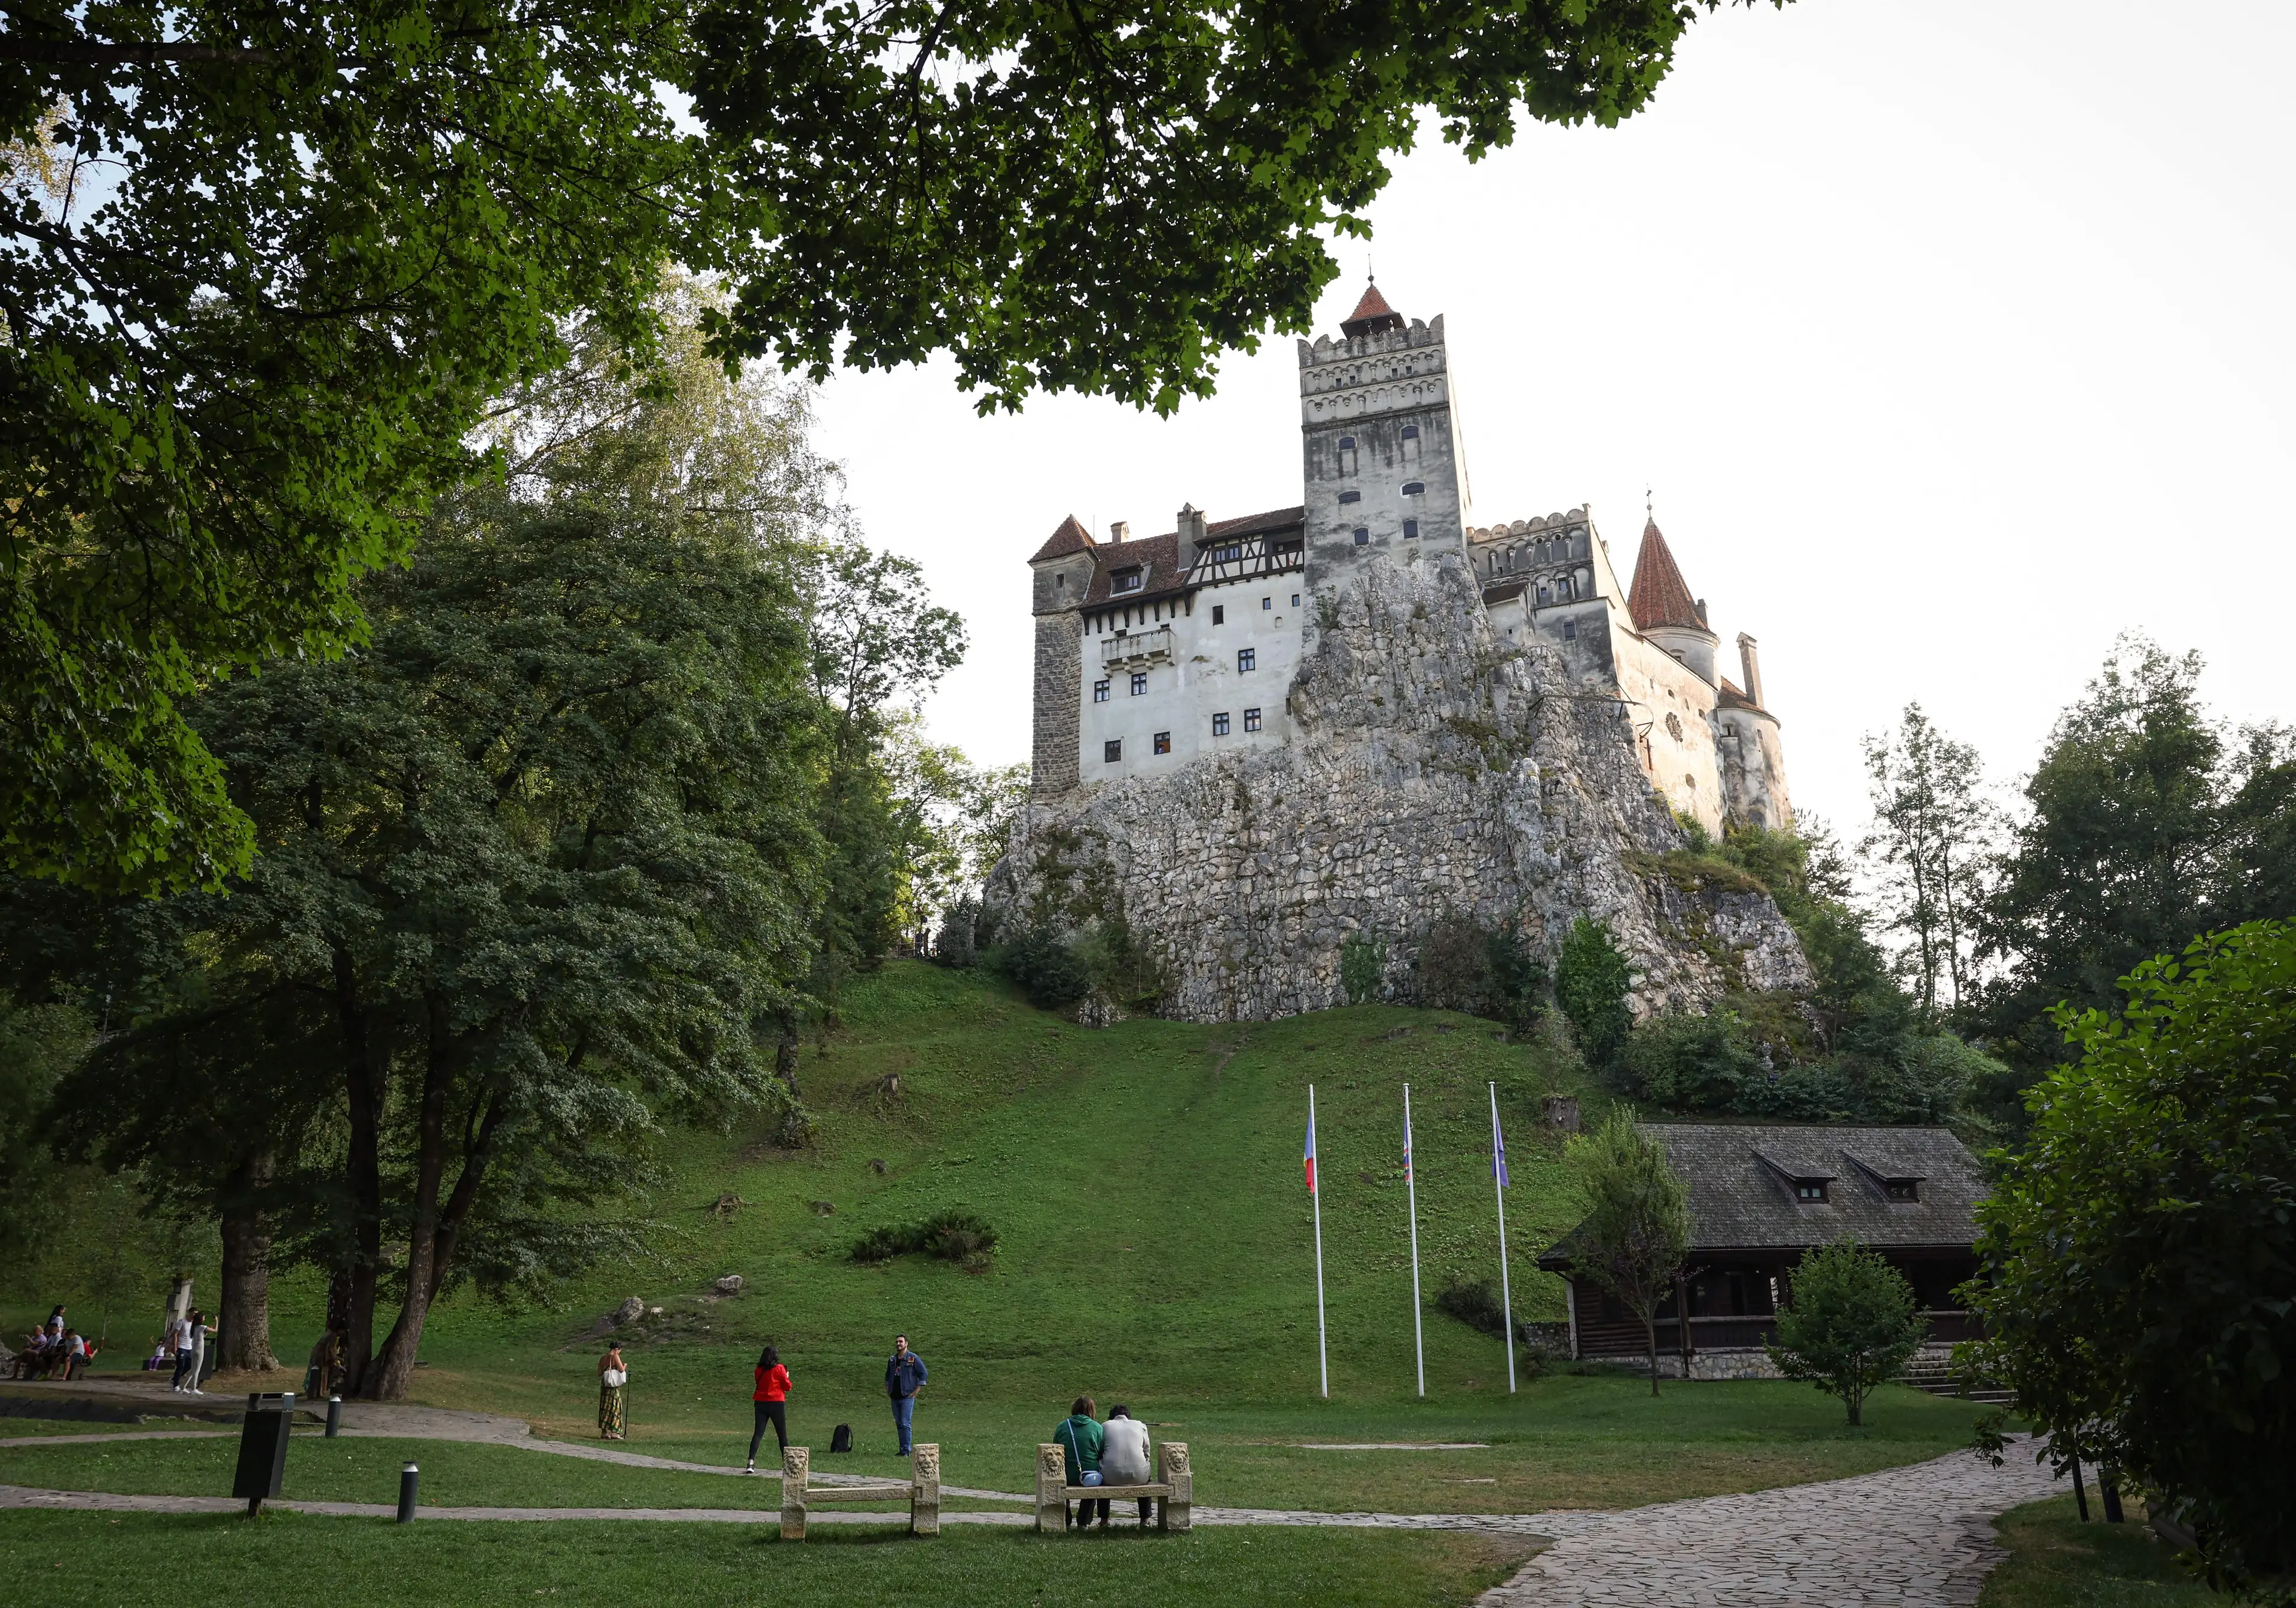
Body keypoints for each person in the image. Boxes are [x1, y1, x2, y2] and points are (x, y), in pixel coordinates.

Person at [1055, 1395, 1107, 1530]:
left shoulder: (1062, 1427)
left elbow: (1056, 1449)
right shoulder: (1097, 1428)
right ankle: (1083, 1521)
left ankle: (1066, 1518)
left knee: (1064, 1474)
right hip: (1089, 1476)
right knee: (1094, 1479)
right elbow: (1101, 1452)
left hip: (1066, 1475)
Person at [1100, 1404, 1155, 1527]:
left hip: (1110, 1476)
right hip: (1139, 1476)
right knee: (1146, 1476)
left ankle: (1104, 1520)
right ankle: (1145, 1520)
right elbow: (1147, 1452)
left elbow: (1100, 1451)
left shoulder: (1104, 1426)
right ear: (1129, 1416)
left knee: (1101, 1474)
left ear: (1111, 1417)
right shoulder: (1140, 1425)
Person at [747, 1344, 791, 1472]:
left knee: (758, 1433)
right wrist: (787, 1377)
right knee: (782, 1435)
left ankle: (751, 1462)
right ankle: (786, 1464)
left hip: (761, 1403)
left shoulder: (759, 1370)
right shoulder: (780, 1369)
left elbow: (758, 1382)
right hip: (777, 1403)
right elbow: (787, 1387)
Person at [884, 1334, 927, 1456]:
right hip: (895, 1397)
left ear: (906, 1344)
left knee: (905, 1423)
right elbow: (888, 1376)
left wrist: (917, 1390)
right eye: (897, 1342)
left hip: (907, 1397)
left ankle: (906, 1451)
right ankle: (902, 1449)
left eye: (901, 1342)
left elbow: (923, 1374)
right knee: (899, 1423)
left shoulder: (913, 1358)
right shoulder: (892, 1360)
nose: (898, 1344)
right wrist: (888, 1389)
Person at [598, 1344, 628, 1440]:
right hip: (613, 1387)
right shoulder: (615, 1356)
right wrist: (624, 1366)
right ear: (617, 1349)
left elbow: (599, 1373)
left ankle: (604, 1432)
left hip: (605, 1385)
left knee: (605, 1407)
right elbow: (621, 1369)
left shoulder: (603, 1358)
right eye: (620, 1351)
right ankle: (614, 1432)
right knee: (615, 1407)